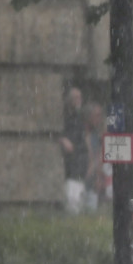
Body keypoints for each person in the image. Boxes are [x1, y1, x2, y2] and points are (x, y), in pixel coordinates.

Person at [57, 87, 90, 215]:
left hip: (79, 159)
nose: (79, 100)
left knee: (78, 194)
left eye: (80, 97)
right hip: (70, 162)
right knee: (72, 194)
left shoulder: (79, 117)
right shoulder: (64, 116)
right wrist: (62, 139)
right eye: (76, 97)